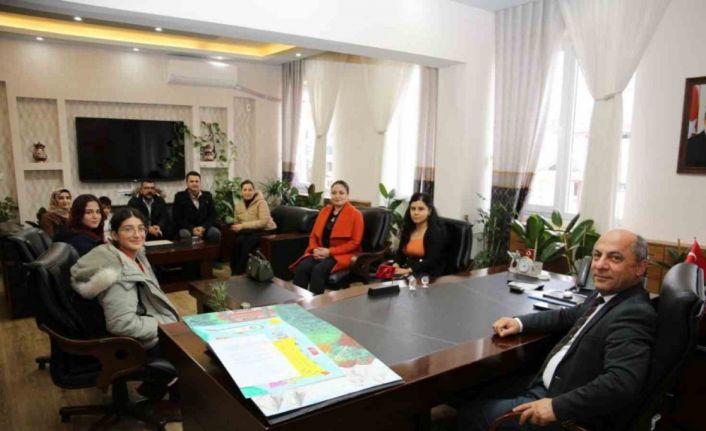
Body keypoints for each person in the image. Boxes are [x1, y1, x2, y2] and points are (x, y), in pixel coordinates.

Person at [456, 229, 656, 431]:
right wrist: (520, 322)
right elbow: (569, 315)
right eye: (597, 256)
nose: (600, 265)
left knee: (471, 415)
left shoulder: (633, 313)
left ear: (641, 267)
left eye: (615, 258)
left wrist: (557, 407)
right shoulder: (607, 296)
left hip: (564, 411)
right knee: (471, 391)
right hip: (550, 384)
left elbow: (621, 383)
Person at [71, 207, 180, 351]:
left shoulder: (136, 255)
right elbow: (122, 324)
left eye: (141, 229)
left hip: (151, 323)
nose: (137, 235)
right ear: (114, 235)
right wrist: (164, 326)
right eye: (128, 229)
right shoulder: (118, 272)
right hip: (142, 345)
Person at [290, 180, 364, 294]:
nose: (337, 196)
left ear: (347, 195)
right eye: (334, 193)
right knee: (302, 267)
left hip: (342, 254)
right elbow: (313, 235)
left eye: (341, 193)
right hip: (321, 251)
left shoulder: (356, 215)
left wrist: (329, 252)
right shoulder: (324, 211)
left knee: (318, 270)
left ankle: (317, 302)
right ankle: (297, 299)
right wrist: (315, 249)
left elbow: (355, 243)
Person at [392, 192, 446, 277]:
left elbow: (432, 261)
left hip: (427, 275)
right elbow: (401, 253)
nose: (415, 212)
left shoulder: (434, 232)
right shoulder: (408, 229)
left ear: (429, 211)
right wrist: (396, 264)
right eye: (413, 209)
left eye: (421, 209)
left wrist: (409, 270)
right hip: (408, 272)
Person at [229, 180, 277, 275]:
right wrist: (237, 227)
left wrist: (243, 226)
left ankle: (240, 271)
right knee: (238, 240)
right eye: (245, 190)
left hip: (266, 230)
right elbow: (237, 221)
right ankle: (233, 270)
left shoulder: (261, 203)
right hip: (250, 230)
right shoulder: (239, 205)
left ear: (254, 191)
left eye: (250, 190)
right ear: (241, 191)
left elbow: (263, 222)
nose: (247, 192)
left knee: (248, 242)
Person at [172, 171, 220, 242]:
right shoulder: (179, 197)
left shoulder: (207, 196)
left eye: (197, 181)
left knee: (215, 233)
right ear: (187, 183)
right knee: (184, 234)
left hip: (204, 227)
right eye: (191, 181)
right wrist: (192, 229)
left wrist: (203, 227)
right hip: (187, 228)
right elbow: (178, 218)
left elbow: (212, 215)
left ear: (200, 183)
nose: (194, 184)